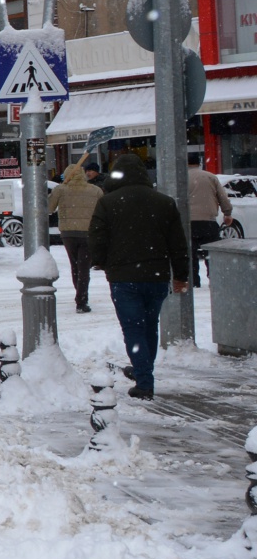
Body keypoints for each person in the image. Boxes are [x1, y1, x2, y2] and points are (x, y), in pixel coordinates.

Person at [88, 152, 190, 401]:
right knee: (149, 327)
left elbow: (97, 237)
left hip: (124, 277)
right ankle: (144, 369)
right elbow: (178, 243)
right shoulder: (164, 202)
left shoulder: (108, 202)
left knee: (133, 329)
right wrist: (181, 275)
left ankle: (144, 382)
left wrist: (100, 261)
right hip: (156, 276)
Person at [48, 160, 103, 313]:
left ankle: (80, 295)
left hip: (68, 233)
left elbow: (49, 208)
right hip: (88, 233)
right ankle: (81, 300)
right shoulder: (95, 190)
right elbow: (102, 211)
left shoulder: (61, 189)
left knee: (75, 266)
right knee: (84, 267)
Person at [186, 153, 233, 286]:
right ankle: (214, 278)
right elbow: (223, 198)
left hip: (187, 223)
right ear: (199, 163)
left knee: (190, 254)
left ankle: (194, 281)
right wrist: (227, 213)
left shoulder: (180, 179)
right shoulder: (210, 177)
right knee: (211, 252)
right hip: (208, 222)